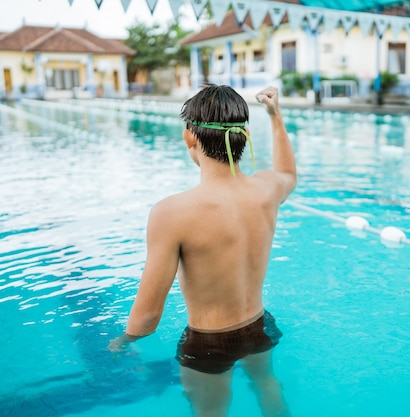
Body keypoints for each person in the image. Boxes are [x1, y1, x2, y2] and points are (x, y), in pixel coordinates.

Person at [109, 84, 297, 417]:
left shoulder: (172, 213)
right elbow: (287, 173)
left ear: (189, 137)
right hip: (258, 326)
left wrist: (124, 341)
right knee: (267, 387)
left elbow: (149, 314)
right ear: (244, 137)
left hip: (208, 343)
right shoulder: (266, 189)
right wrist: (275, 114)